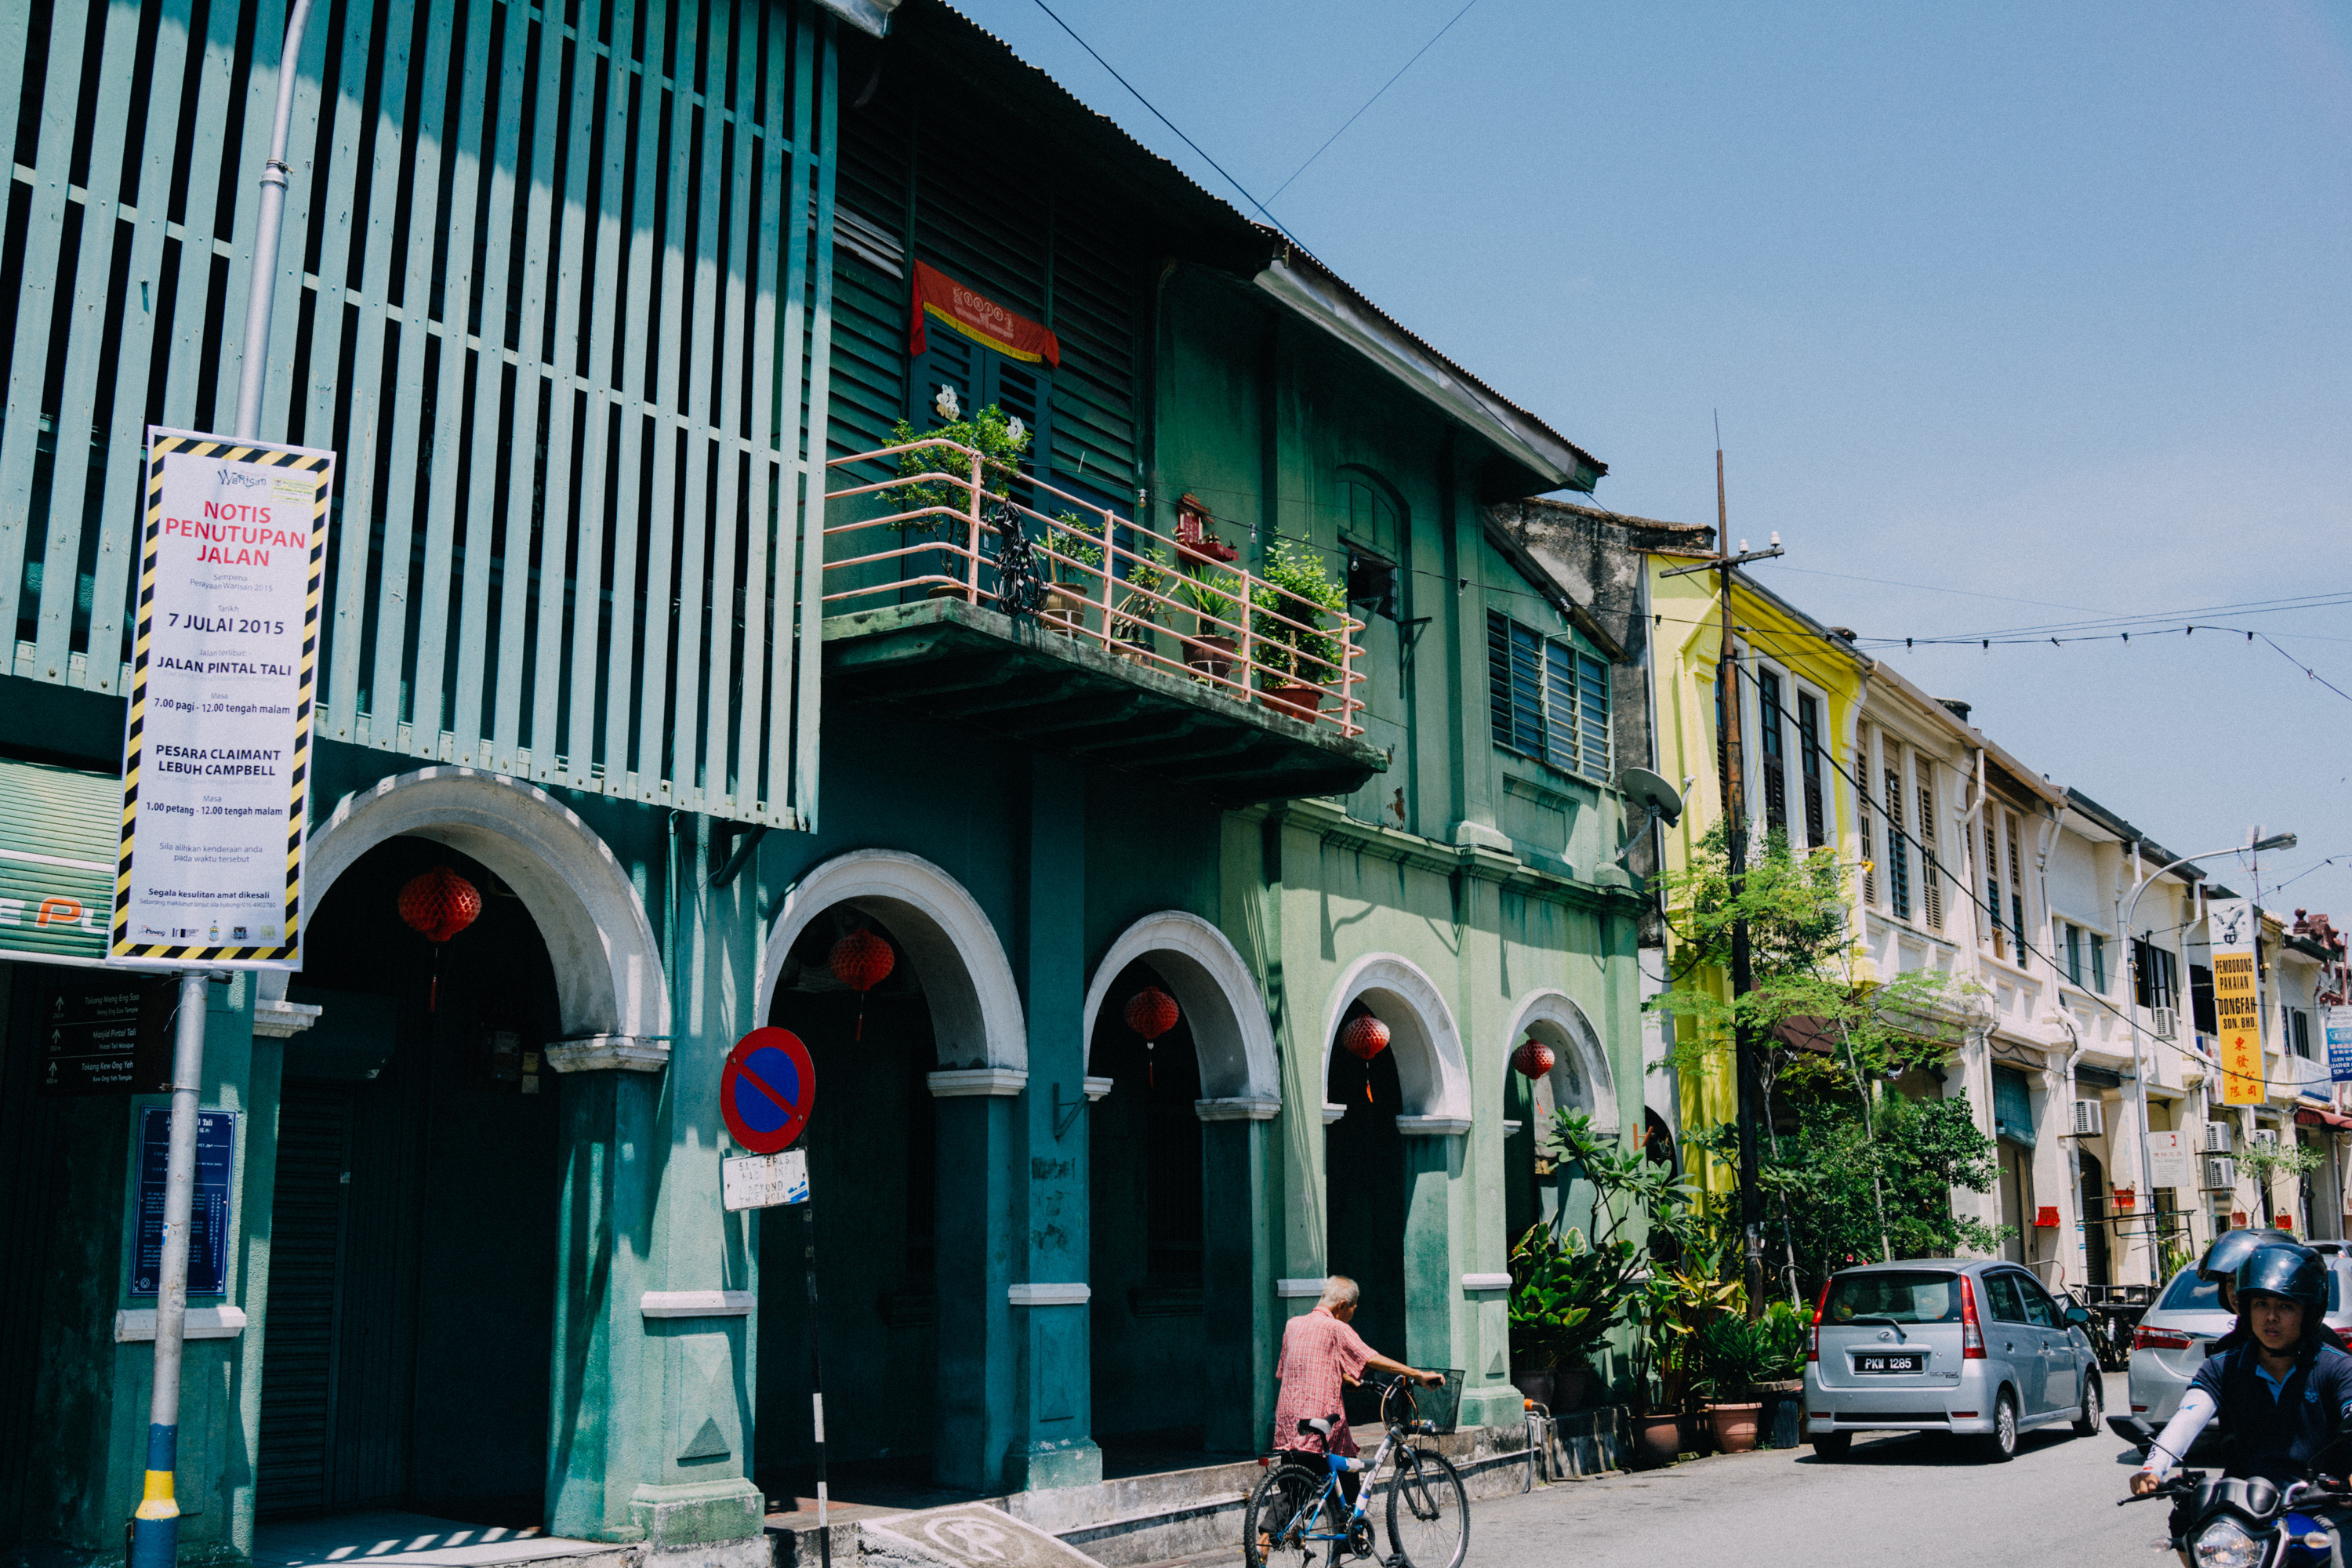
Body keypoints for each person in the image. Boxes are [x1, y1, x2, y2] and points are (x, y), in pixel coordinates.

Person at [2131, 1243, 2352, 1494]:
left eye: (2285, 1306)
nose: (2271, 1317)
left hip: (2324, 1501)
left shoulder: (2336, 1366)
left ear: (2308, 1312)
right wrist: (2153, 1467)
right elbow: (2188, 1418)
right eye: (2261, 1304)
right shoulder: (2223, 1366)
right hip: (2247, 1501)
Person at [1271, 1276, 1443, 1465]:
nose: (1354, 1311)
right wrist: (1420, 1375)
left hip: (1290, 1425)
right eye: (1353, 1307)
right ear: (1343, 1305)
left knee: (1297, 1480)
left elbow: (1291, 1369)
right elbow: (1370, 1358)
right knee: (1348, 1478)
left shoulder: (1293, 1324)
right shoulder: (1337, 1328)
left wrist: (1344, 1378)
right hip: (1321, 1426)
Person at [2194, 1231, 2346, 1353]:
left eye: (2246, 1280)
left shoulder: (2323, 1348)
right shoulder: (2227, 1350)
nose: (2236, 1291)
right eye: (2230, 1281)